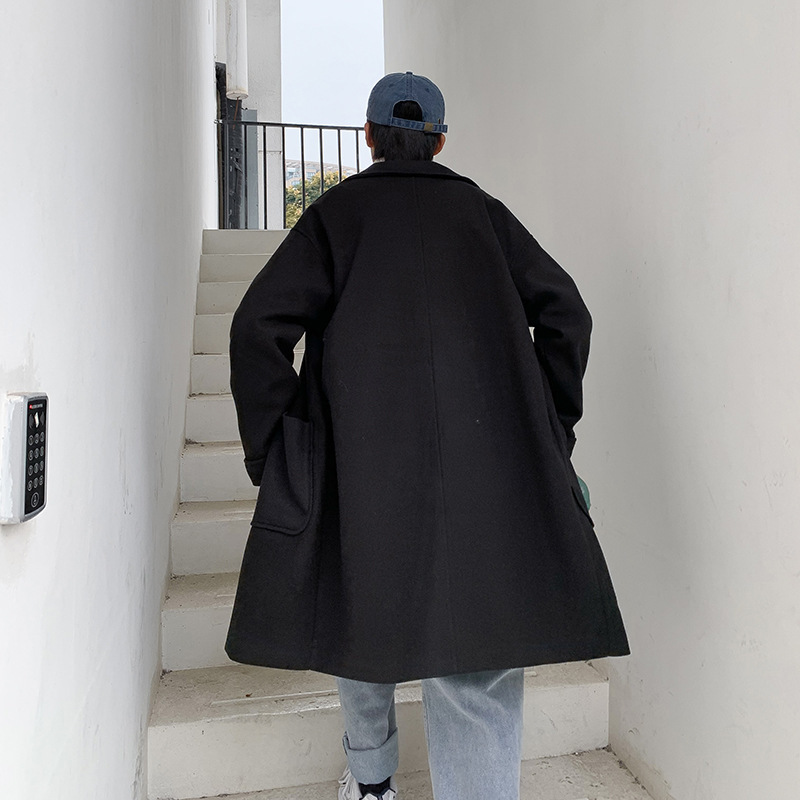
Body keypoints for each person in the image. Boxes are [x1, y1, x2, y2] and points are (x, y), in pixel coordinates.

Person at [225, 71, 630, 800]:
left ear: (370, 137)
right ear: (440, 141)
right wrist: (546, 429)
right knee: (478, 664)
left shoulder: (337, 215)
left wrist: (280, 452)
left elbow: (257, 328)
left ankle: (372, 784)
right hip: (487, 471)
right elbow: (567, 315)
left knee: (358, 620)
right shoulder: (485, 215)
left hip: (359, 465)